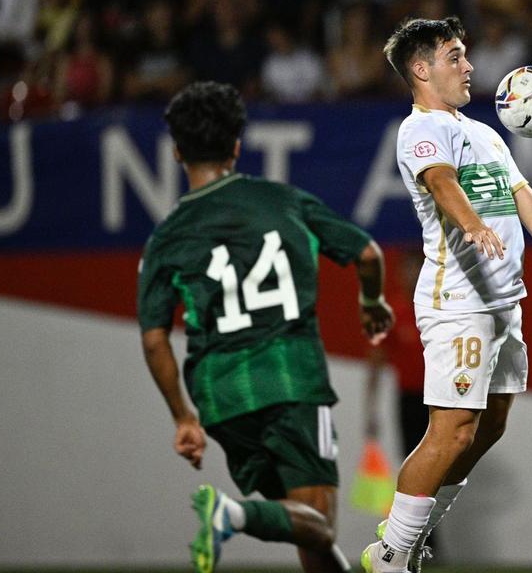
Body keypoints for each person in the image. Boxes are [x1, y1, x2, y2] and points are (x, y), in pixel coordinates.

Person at [361, 17, 532, 573]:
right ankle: (390, 557)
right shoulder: (420, 128)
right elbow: (441, 182)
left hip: (504, 304)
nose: (469, 65)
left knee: (490, 425)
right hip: (458, 303)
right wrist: (473, 225)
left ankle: (409, 533)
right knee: (449, 432)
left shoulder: (486, 134)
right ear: (422, 70)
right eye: (455, 56)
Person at [136, 81, 395, 573]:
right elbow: (366, 253)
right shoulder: (281, 200)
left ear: (176, 152)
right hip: (289, 377)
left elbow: (153, 338)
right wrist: (371, 301)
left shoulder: (166, 236)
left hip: (220, 397)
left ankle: (242, 512)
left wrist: (183, 418)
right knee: (319, 522)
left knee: (303, 526)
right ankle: (231, 514)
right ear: (237, 144)